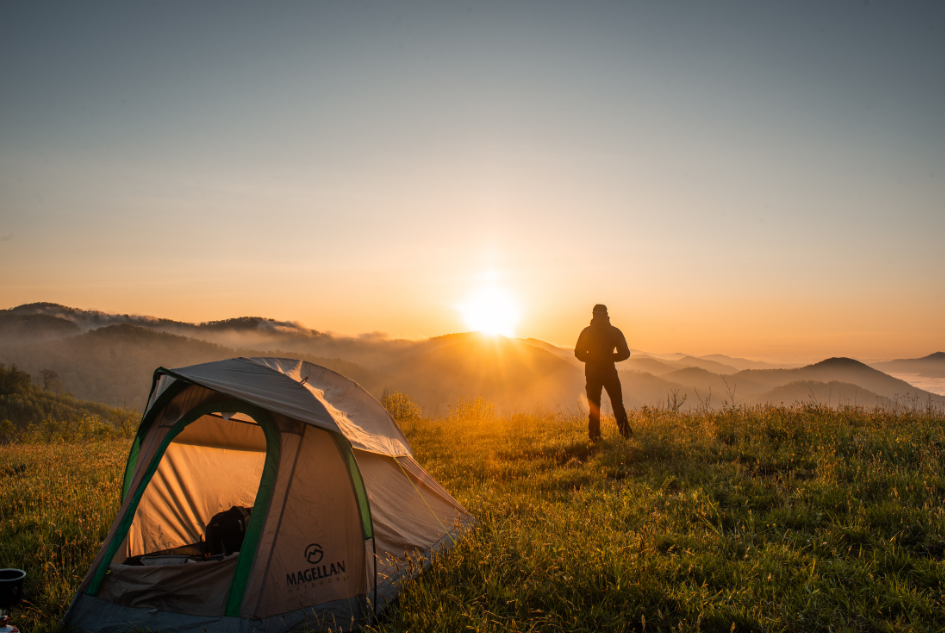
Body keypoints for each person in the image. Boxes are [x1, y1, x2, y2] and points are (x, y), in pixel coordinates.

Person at [574, 304, 632, 441]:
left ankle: (595, 436)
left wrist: (593, 358)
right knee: (617, 404)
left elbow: (578, 353)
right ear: (606, 315)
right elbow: (625, 353)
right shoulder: (615, 332)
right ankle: (626, 434)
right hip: (610, 373)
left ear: (593, 315)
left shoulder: (587, 332)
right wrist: (610, 358)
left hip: (592, 374)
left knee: (594, 406)